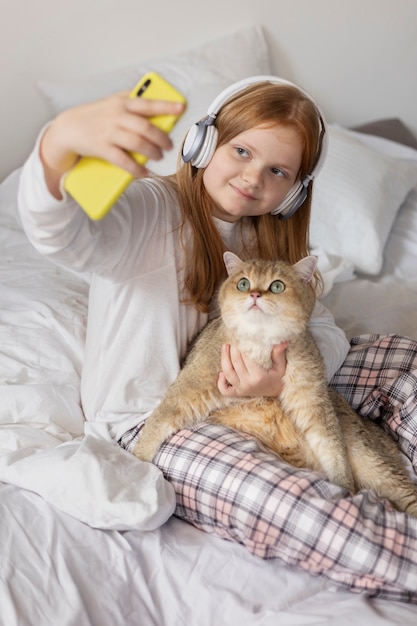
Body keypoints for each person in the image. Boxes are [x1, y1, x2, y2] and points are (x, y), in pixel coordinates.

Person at [18, 75, 417, 603]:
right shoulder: (149, 211)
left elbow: (318, 328)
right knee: (287, 501)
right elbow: (61, 234)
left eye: (277, 170)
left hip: (269, 393)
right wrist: (57, 145)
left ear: (294, 190)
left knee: (403, 358)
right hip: (160, 421)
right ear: (204, 143)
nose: (253, 177)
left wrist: (282, 375)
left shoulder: (265, 238)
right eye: (241, 151)